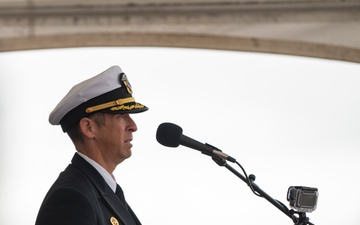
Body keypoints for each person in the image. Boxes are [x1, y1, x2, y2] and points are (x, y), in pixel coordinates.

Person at [35, 65, 148, 225]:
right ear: (89, 127)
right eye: (121, 116)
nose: (133, 126)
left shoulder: (102, 191)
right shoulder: (71, 198)